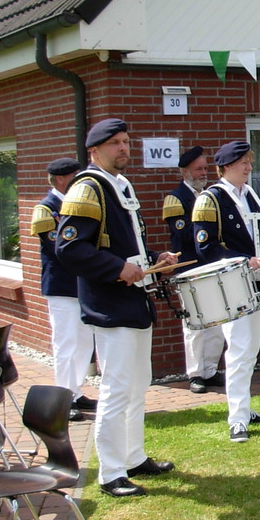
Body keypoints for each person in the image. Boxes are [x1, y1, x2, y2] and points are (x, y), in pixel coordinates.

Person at [55, 118, 178, 498]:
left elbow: (126, 246)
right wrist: (117, 268)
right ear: (94, 151)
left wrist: (155, 258)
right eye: (115, 143)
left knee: (137, 385)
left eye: (126, 141)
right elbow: (69, 248)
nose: (124, 148)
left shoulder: (119, 184)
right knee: (117, 388)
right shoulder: (87, 187)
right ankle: (110, 473)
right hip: (110, 303)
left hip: (133, 301)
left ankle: (133, 456)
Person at [192, 140, 260, 442]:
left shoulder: (250, 196)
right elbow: (205, 248)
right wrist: (243, 260)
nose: (249, 167)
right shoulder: (211, 199)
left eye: (250, 162)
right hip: (231, 286)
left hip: (256, 283)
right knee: (239, 351)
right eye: (244, 163)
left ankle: (244, 407)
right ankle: (237, 418)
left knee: (250, 351)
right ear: (226, 166)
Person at [30, 157, 97, 421]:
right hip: (62, 286)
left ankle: (76, 391)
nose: (79, 181)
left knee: (84, 342)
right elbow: (60, 249)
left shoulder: (77, 205)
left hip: (82, 285)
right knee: (66, 344)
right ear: (60, 179)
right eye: (73, 177)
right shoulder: (46, 209)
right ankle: (63, 398)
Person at [161, 146, 227, 393]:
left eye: (205, 168)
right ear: (184, 172)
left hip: (213, 268)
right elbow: (185, 234)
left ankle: (210, 369)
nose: (203, 173)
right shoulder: (176, 199)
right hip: (191, 271)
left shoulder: (211, 195)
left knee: (216, 323)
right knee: (195, 326)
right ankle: (196, 374)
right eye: (198, 169)